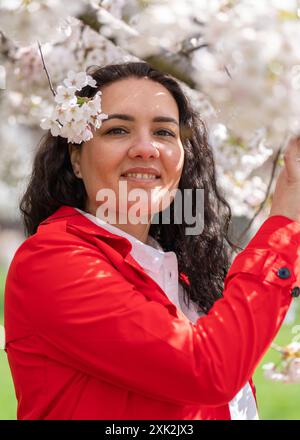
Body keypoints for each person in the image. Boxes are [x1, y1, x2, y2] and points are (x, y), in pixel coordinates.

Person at [3, 61, 300, 420]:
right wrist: (282, 228)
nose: (146, 149)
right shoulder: (52, 262)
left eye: (163, 132)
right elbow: (207, 371)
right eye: (117, 130)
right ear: (76, 158)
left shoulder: (179, 273)